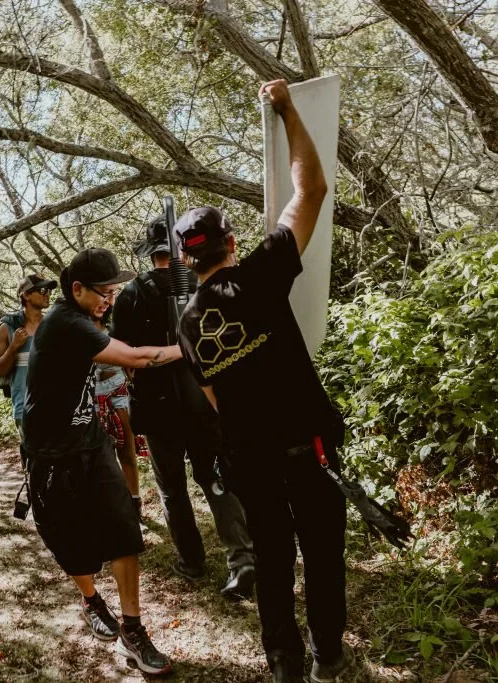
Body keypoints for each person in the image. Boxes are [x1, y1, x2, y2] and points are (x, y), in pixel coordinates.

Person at [176, 80, 351, 683]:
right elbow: (312, 189)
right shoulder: (261, 274)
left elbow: (217, 399)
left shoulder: (188, 325)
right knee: (323, 555)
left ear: (186, 260)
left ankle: (284, 664)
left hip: (249, 459)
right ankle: (328, 653)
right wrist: (287, 110)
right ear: (231, 242)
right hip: (308, 451)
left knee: (274, 563)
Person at [22, 247, 183, 675]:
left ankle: (133, 629)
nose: (109, 299)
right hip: (51, 454)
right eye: (104, 292)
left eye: (114, 291)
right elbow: (133, 358)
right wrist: (190, 345)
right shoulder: (64, 323)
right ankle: (92, 600)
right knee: (70, 541)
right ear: (77, 289)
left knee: (123, 532)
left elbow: (121, 354)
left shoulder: (86, 317)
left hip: (91, 444)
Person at [112, 217, 256, 599]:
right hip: (206, 400)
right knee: (216, 478)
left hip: (159, 409)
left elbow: (123, 355)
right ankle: (242, 560)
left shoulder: (131, 294)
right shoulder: (205, 282)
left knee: (172, 488)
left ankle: (192, 560)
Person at [0, 273, 56, 442]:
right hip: (25, 409)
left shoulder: (54, 325)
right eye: (42, 290)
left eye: (48, 290)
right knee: (35, 462)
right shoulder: (8, 328)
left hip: (56, 406)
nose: (47, 294)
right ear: (26, 295)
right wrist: (13, 348)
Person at [93, 309, 140, 506]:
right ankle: (112, 505)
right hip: (92, 394)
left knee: (127, 451)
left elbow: (128, 359)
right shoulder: (77, 331)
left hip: (118, 388)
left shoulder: (113, 330)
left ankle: (134, 502)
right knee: (102, 455)